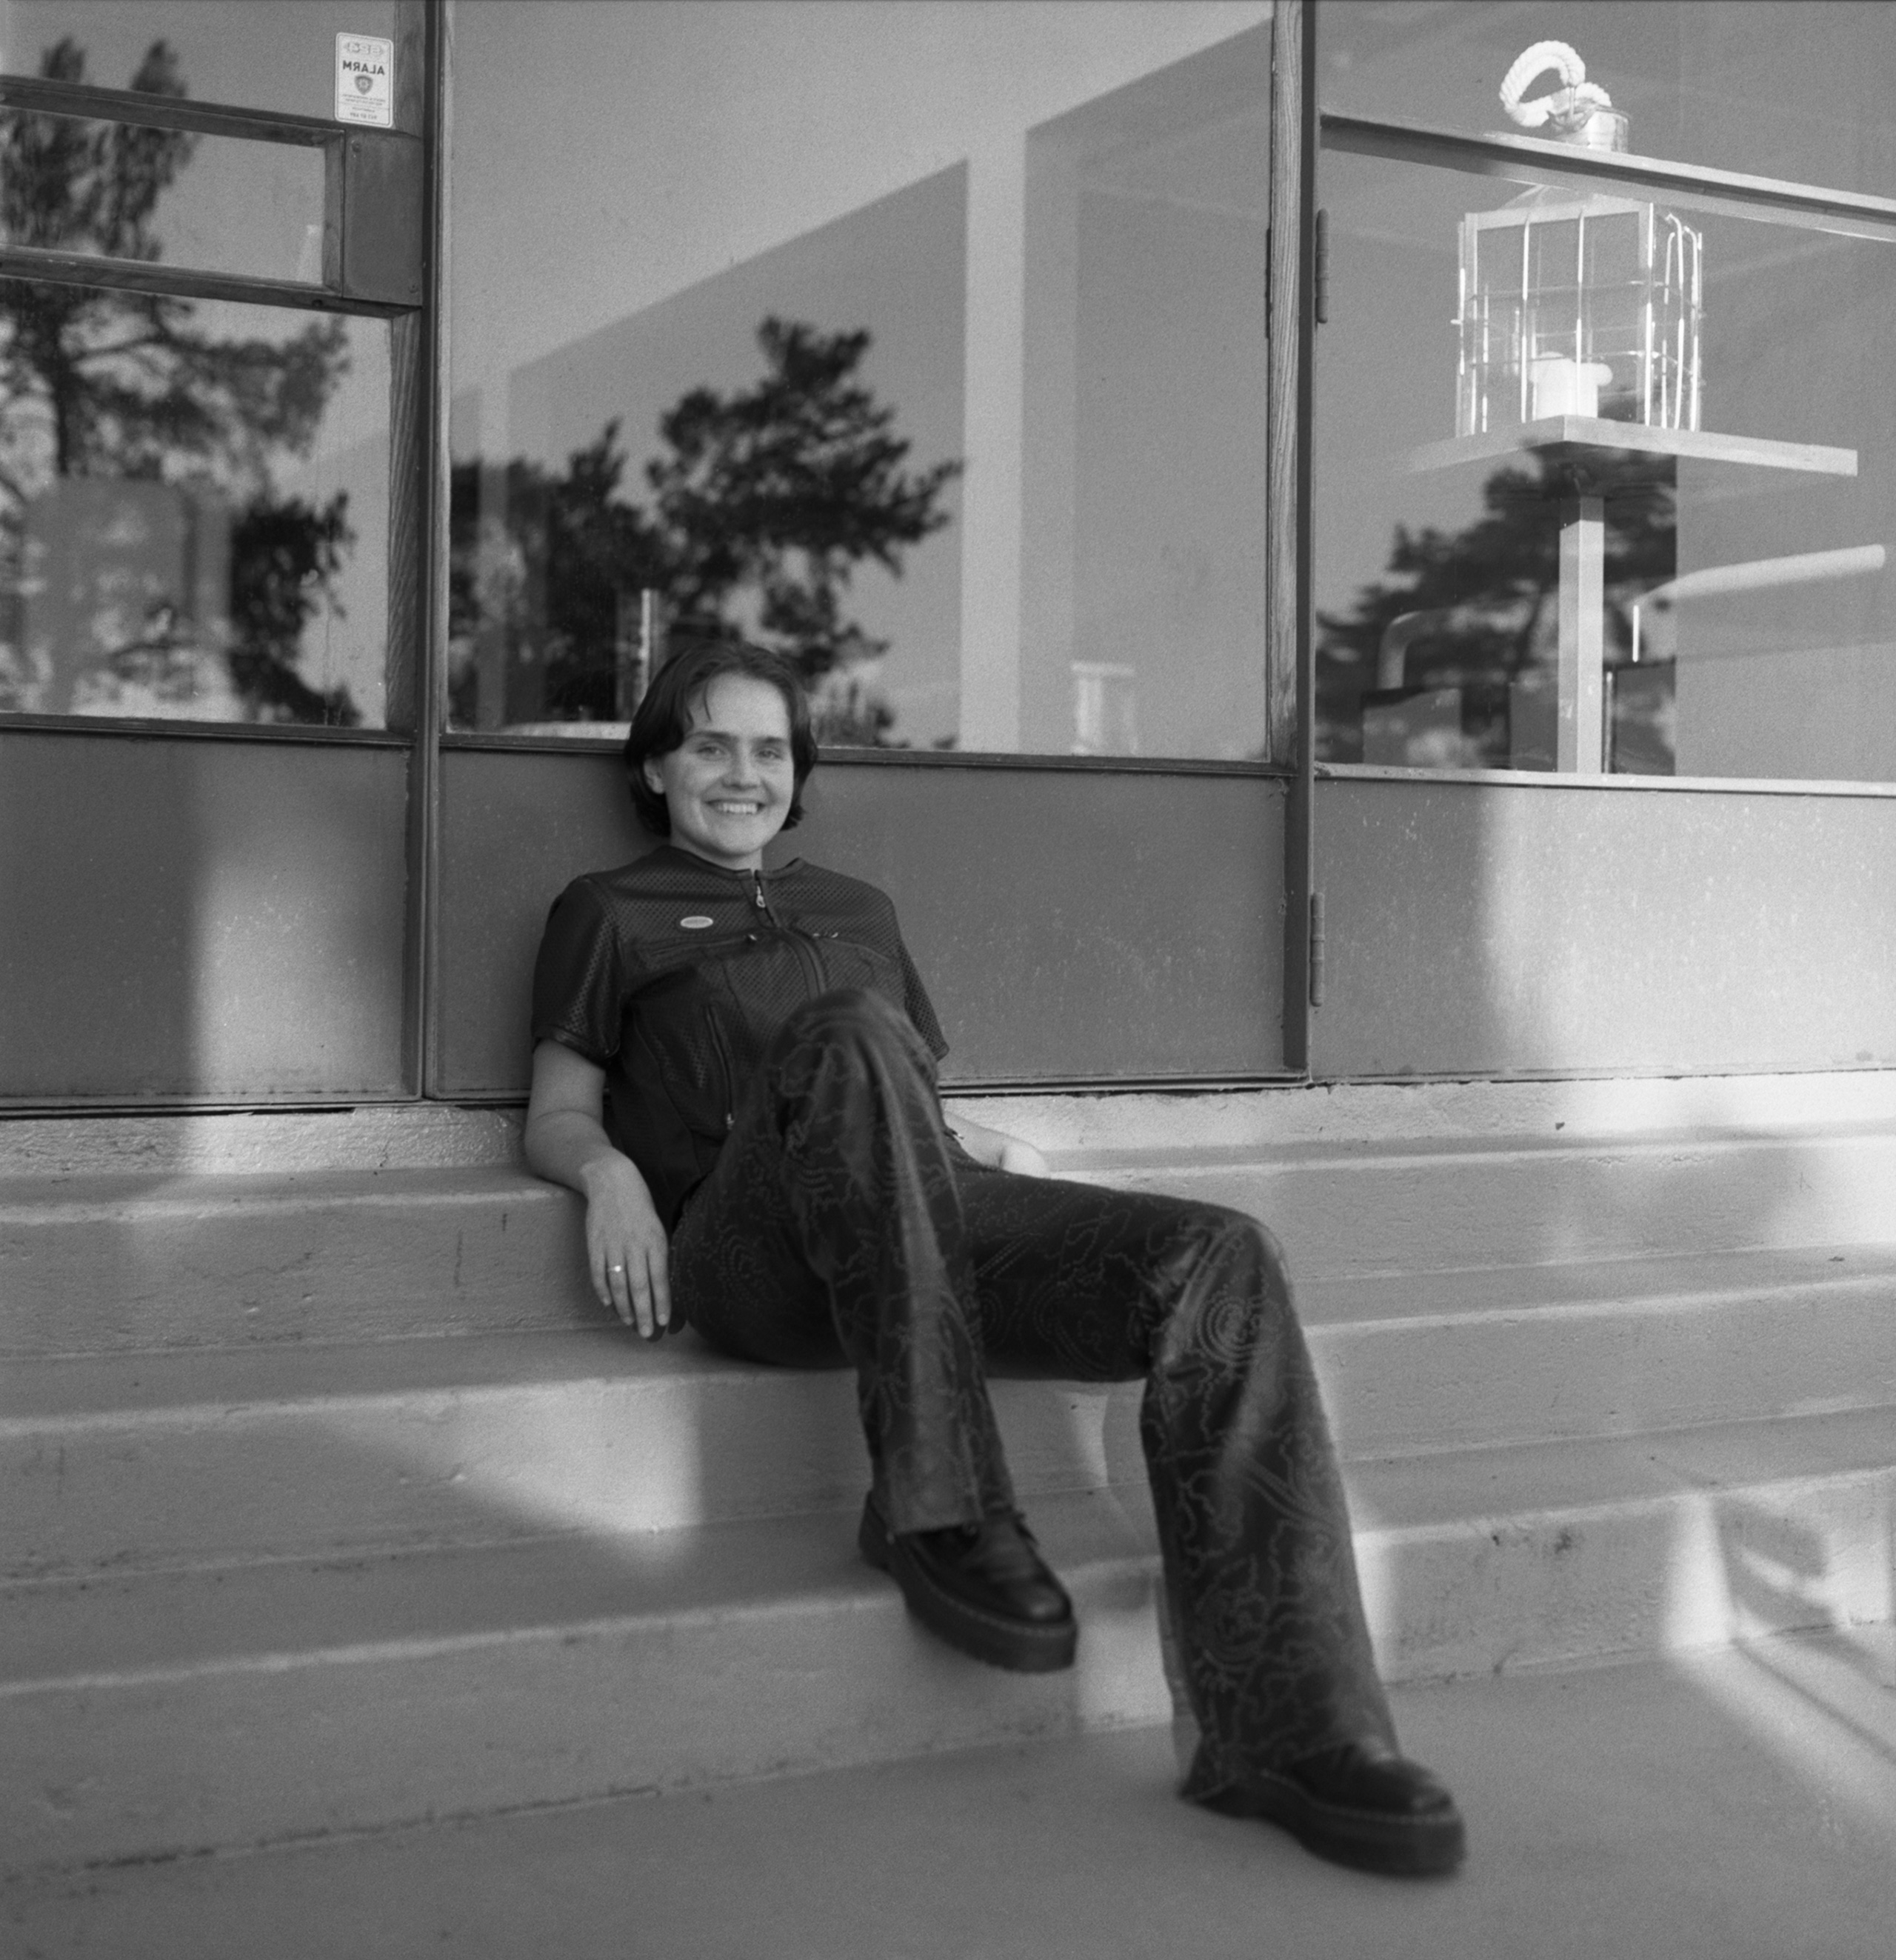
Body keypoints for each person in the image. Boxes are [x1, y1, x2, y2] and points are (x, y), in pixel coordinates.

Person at [524, 637, 1465, 1879]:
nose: (743, 773)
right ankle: (940, 1501)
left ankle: (1295, 1731)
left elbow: (900, 1105)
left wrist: (983, 1152)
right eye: (710, 745)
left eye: (769, 750)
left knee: (1218, 1256)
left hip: (926, 1209)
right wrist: (608, 1178)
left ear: (797, 773)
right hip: (751, 1251)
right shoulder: (606, 910)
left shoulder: (861, 910)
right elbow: (557, 1109)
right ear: (655, 767)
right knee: (845, 1028)